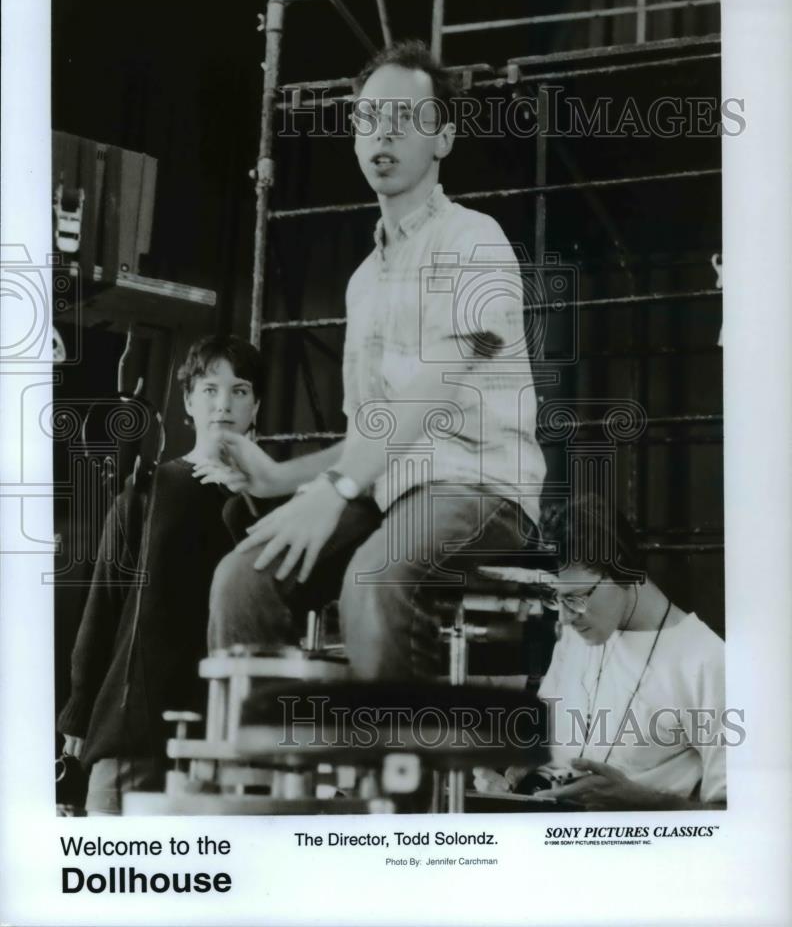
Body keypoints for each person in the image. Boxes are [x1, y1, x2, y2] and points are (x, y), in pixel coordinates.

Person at [195, 40, 547, 679]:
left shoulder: (474, 240)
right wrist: (277, 480)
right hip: (390, 491)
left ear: (443, 139)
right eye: (367, 120)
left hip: (479, 488)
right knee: (242, 579)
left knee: (373, 578)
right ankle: (269, 770)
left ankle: (394, 776)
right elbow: (373, 435)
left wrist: (336, 488)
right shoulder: (363, 281)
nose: (382, 135)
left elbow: (432, 392)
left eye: (405, 119)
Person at [57, 334, 266, 814]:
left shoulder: (275, 506)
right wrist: (79, 711)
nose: (224, 403)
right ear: (189, 401)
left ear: (256, 405)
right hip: (136, 730)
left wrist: (251, 499)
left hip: (233, 740)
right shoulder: (148, 489)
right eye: (210, 389)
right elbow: (103, 604)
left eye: (239, 390)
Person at [474, 494, 727, 810]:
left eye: (576, 598)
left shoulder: (710, 663)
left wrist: (638, 801)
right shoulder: (577, 634)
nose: (565, 618)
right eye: (556, 599)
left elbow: (733, 820)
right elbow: (548, 740)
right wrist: (509, 769)